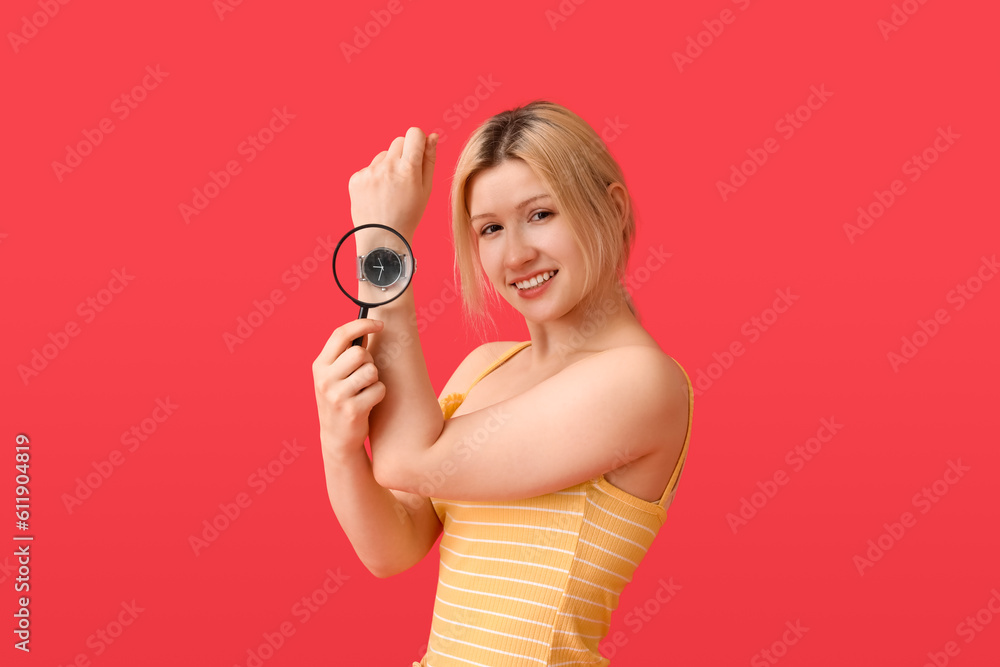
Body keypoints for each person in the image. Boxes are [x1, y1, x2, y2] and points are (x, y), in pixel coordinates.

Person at [312, 100, 694, 666]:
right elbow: (393, 548)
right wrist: (339, 444)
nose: (516, 254)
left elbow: (407, 459)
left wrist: (381, 243)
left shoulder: (640, 382)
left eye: (540, 214)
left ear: (611, 209)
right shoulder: (483, 368)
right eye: (490, 228)